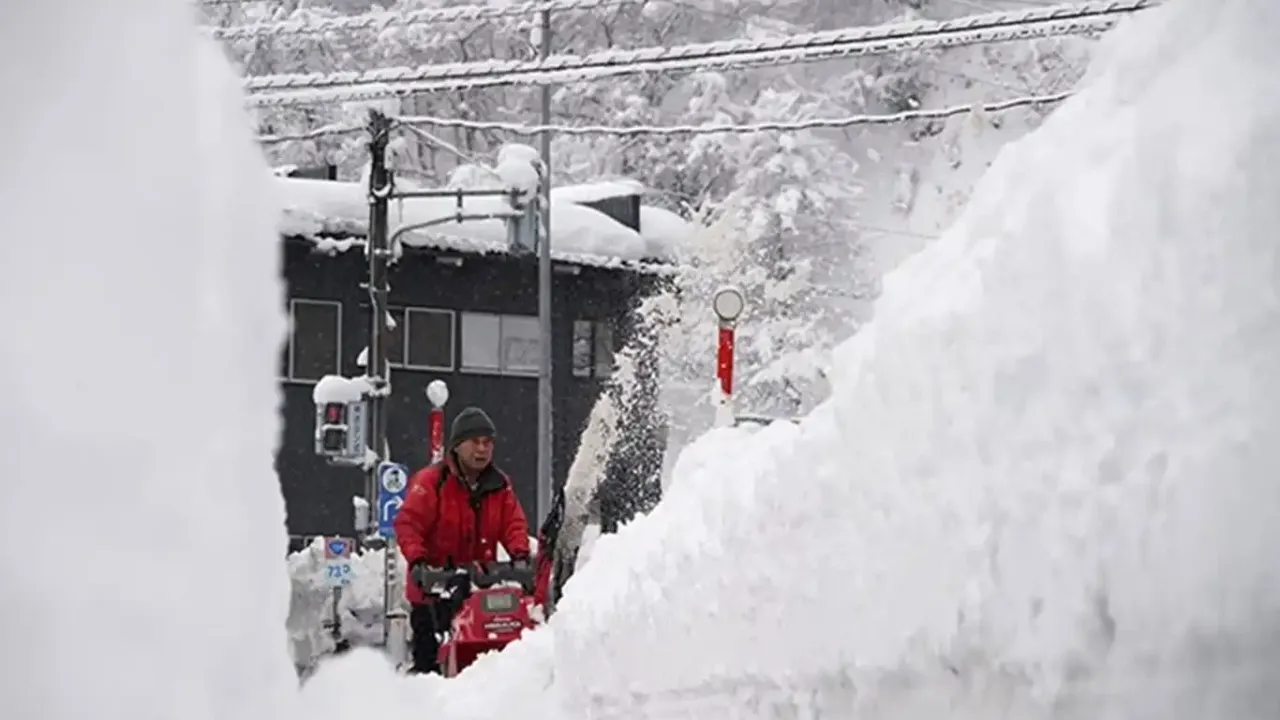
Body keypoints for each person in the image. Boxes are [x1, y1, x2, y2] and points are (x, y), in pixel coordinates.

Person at [393, 406, 532, 675]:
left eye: (487, 443)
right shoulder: (432, 482)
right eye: (475, 442)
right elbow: (408, 524)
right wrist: (420, 563)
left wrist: (520, 556)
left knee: (494, 652)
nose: (482, 449)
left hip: (479, 591)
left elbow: (513, 523)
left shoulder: (500, 486)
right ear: (457, 446)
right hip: (434, 594)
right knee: (430, 664)